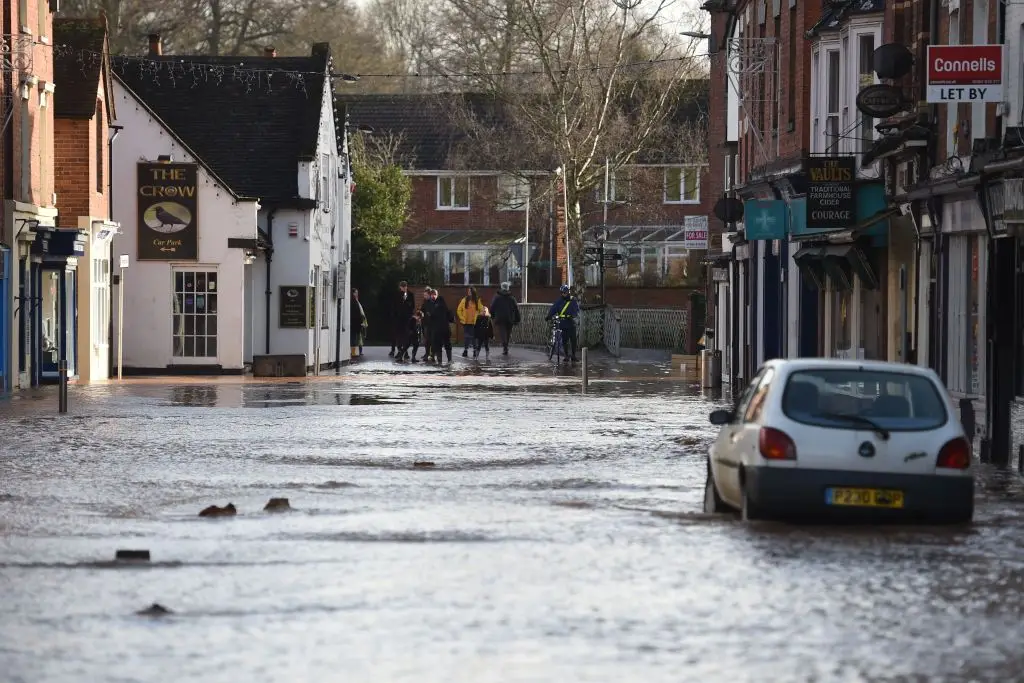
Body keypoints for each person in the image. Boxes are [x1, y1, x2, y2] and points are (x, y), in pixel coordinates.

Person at [545, 284, 580, 362]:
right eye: (563, 292)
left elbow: (576, 309)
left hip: (571, 322)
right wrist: (549, 316)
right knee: (565, 340)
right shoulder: (559, 301)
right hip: (563, 322)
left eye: (566, 292)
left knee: (573, 339)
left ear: (568, 292)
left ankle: (573, 355)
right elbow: (553, 309)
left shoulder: (572, 300)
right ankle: (566, 356)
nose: (564, 294)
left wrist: (574, 315)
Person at [489, 282, 521, 356]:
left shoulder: (497, 297)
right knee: (508, 333)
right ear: (508, 288)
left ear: (501, 288)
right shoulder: (512, 298)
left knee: (503, 332)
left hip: (500, 318)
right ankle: (506, 346)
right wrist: (517, 319)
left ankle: (505, 347)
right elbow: (516, 309)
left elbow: (492, 307)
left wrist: (492, 316)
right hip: (510, 318)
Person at [390, 280, 416, 358]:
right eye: (402, 287)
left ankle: (405, 352)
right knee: (399, 335)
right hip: (398, 318)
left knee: (405, 335)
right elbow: (394, 306)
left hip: (407, 318)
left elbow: (412, 306)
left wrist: (406, 302)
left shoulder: (410, 295)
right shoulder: (397, 295)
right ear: (400, 287)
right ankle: (400, 350)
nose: (404, 289)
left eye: (405, 287)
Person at [456, 286, 483, 357]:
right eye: (468, 291)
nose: (469, 293)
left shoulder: (477, 300)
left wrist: (478, 318)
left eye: (470, 291)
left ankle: (474, 351)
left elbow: (481, 310)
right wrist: (462, 318)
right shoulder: (464, 300)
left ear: (473, 292)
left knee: (474, 337)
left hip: (474, 323)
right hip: (466, 322)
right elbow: (459, 310)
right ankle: (466, 350)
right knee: (466, 337)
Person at [429, 288, 454, 364]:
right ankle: (445, 360)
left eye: (434, 294)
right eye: (432, 295)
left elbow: (432, 315)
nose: (433, 296)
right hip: (442, 328)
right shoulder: (441, 304)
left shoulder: (437, 304)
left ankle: (444, 360)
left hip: (441, 328)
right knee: (443, 344)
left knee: (442, 344)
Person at [420, 285, 435, 362]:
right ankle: (427, 354)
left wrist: (429, 314)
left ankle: (431, 354)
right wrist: (420, 313)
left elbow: (433, 313)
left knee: (430, 340)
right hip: (425, 323)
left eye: (426, 295)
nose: (424, 296)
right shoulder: (425, 302)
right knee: (426, 340)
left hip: (430, 324)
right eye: (424, 295)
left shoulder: (432, 303)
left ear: (429, 295)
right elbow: (422, 310)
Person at [350, 288, 367, 357]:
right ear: (353, 293)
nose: (357, 294)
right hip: (355, 322)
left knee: (359, 337)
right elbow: (357, 313)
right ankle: (354, 352)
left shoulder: (356, 301)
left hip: (358, 322)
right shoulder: (353, 301)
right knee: (354, 337)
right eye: (356, 292)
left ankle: (359, 351)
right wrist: (360, 321)